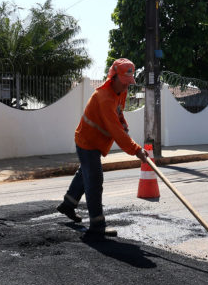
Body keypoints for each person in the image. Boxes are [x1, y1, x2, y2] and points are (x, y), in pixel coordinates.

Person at [56, 58, 148, 237]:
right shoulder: (104, 98)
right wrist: (136, 150)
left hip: (96, 142)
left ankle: (68, 204)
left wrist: (124, 122)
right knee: (94, 180)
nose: (126, 87)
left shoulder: (120, 92)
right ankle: (97, 225)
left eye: (128, 83)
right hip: (87, 142)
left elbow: (119, 113)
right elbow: (116, 131)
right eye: (124, 82)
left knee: (86, 174)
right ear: (113, 77)